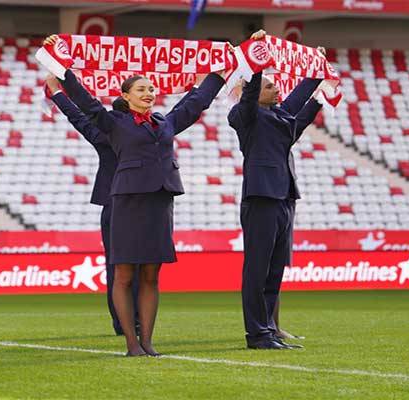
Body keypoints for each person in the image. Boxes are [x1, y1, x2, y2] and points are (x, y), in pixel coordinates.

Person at [48, 34, 227, 357]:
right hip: (127, 203)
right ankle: (131, 342)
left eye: (151, 89)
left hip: (160, 202)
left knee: (151, 274)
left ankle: (148, 342)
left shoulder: (164, 122)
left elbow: (195, 103)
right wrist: (61, 69)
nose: (149, 93)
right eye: (141, 89)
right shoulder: (114, 122)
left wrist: (219, 74)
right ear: (126, 96)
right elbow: (85, 104)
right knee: (124, 274)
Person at [227, 30, 323, 350]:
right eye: (270, 85)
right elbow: (253, 88)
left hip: (284, 198)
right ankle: (256, 334)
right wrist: (256, 60)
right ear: (255, 94)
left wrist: (316, 68)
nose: (276, 86)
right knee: (257, 269)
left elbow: (299, 99)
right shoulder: (246, 116)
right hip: (261, 198)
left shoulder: (280, 116)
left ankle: (268, 330)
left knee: (274, 270)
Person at [45, 74, 141, 337]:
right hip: (140, 202)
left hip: (113, 202)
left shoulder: (104, 134)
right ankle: (136, 319)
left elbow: (77, 117)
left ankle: (122, 321)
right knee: (139, 265)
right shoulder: (143, 132)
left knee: (116, 265)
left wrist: (56, 93)